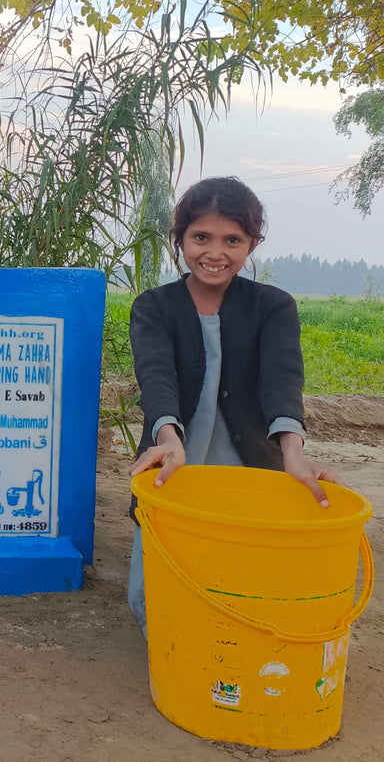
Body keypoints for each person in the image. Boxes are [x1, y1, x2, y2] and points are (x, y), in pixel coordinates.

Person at [125, 176, 344, 636]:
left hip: (248, 467)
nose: (215, 252)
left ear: (252, 244)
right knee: (168, 593)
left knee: (241, 581)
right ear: (180, 239)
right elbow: (156, 377)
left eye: (232, 240)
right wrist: (168, 437)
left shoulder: (273, 306)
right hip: (174, 462)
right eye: (201, 237)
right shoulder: (154, 307)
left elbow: (282, 379)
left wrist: (292, 451)